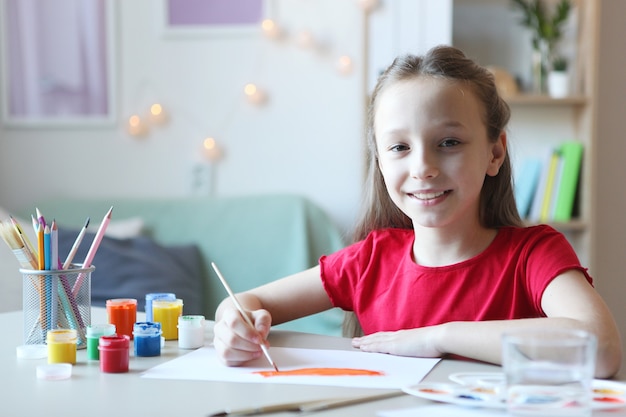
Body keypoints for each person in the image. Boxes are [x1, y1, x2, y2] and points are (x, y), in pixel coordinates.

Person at [213, 45, 622, 378]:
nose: (423, 167)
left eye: (448, 143)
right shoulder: (368, 261)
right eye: (400, 148)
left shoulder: (533, 255)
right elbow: (246, 301)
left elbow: (600, 350)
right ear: (381, 161)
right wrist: (232, 322)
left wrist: (440, 337)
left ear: (494, 153)